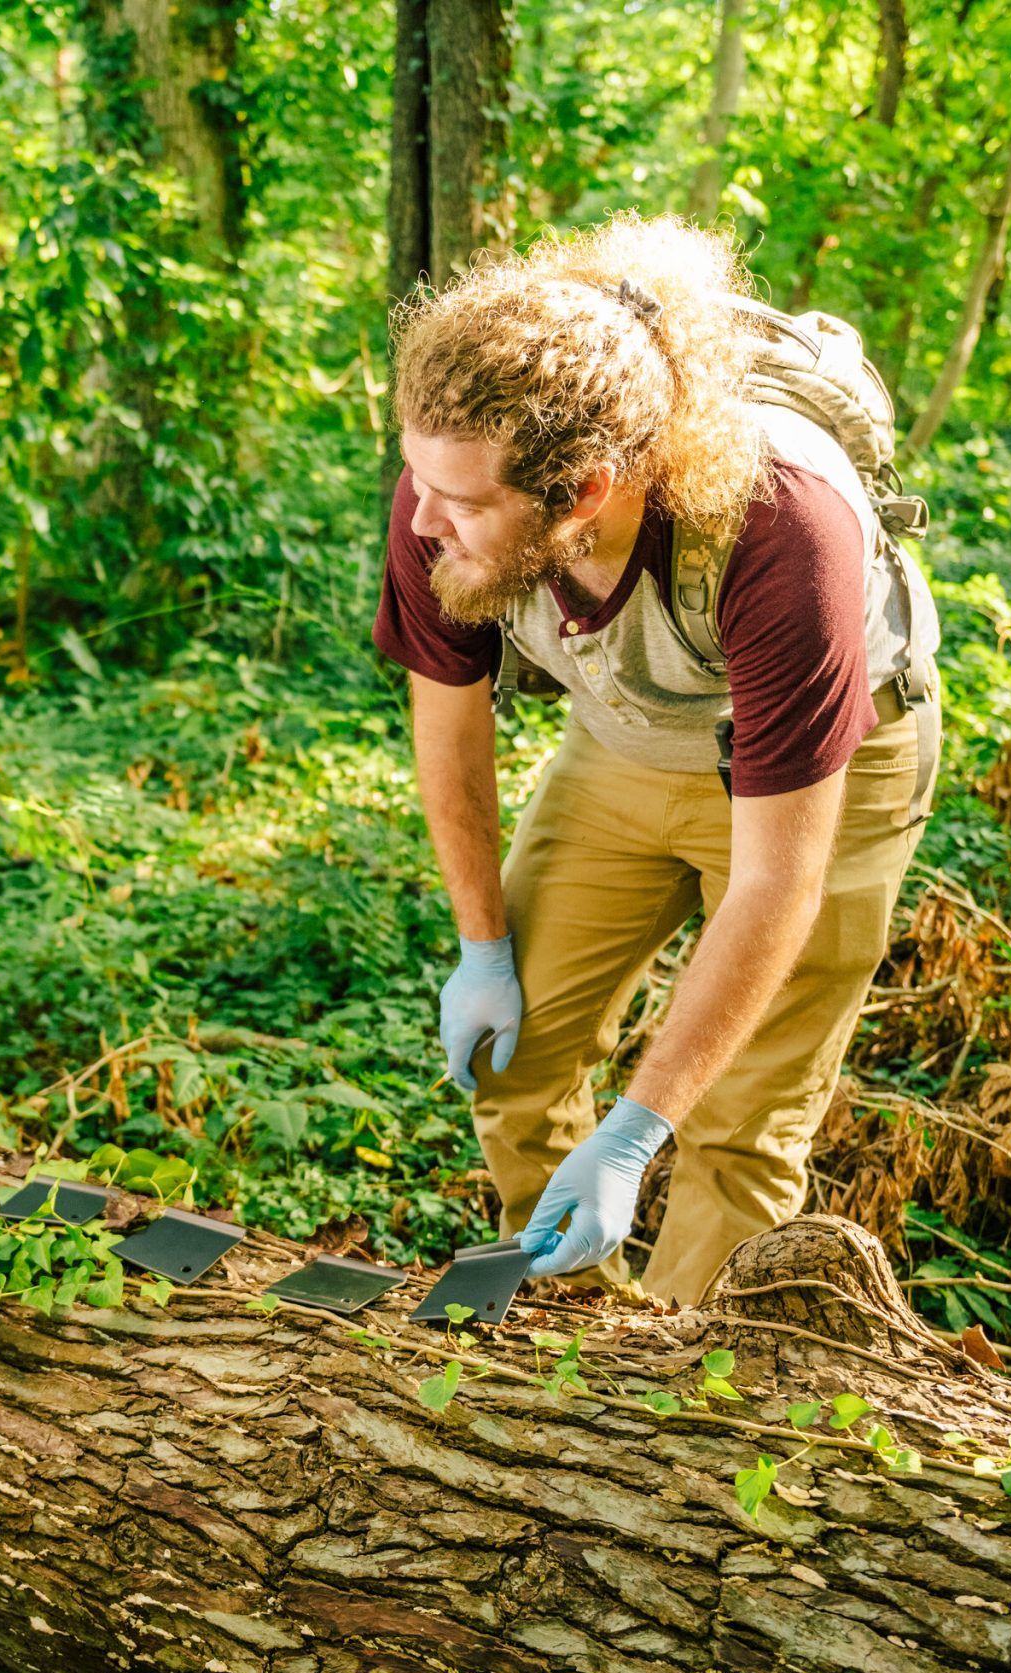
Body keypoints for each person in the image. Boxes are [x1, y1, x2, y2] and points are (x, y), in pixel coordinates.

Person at [374, 213, 941, 1306]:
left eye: (464, 501)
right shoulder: (442, 497)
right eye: (417, 482)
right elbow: (450, 741)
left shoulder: (785, 528)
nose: (423, 520)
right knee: (518, 1055)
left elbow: (776, 881)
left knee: (733, 1121)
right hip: (626, 741)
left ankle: (678, 1395)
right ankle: (554, 1315)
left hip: (831, 768)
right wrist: (481, 948)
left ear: (584, 488)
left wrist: (635, 1134)